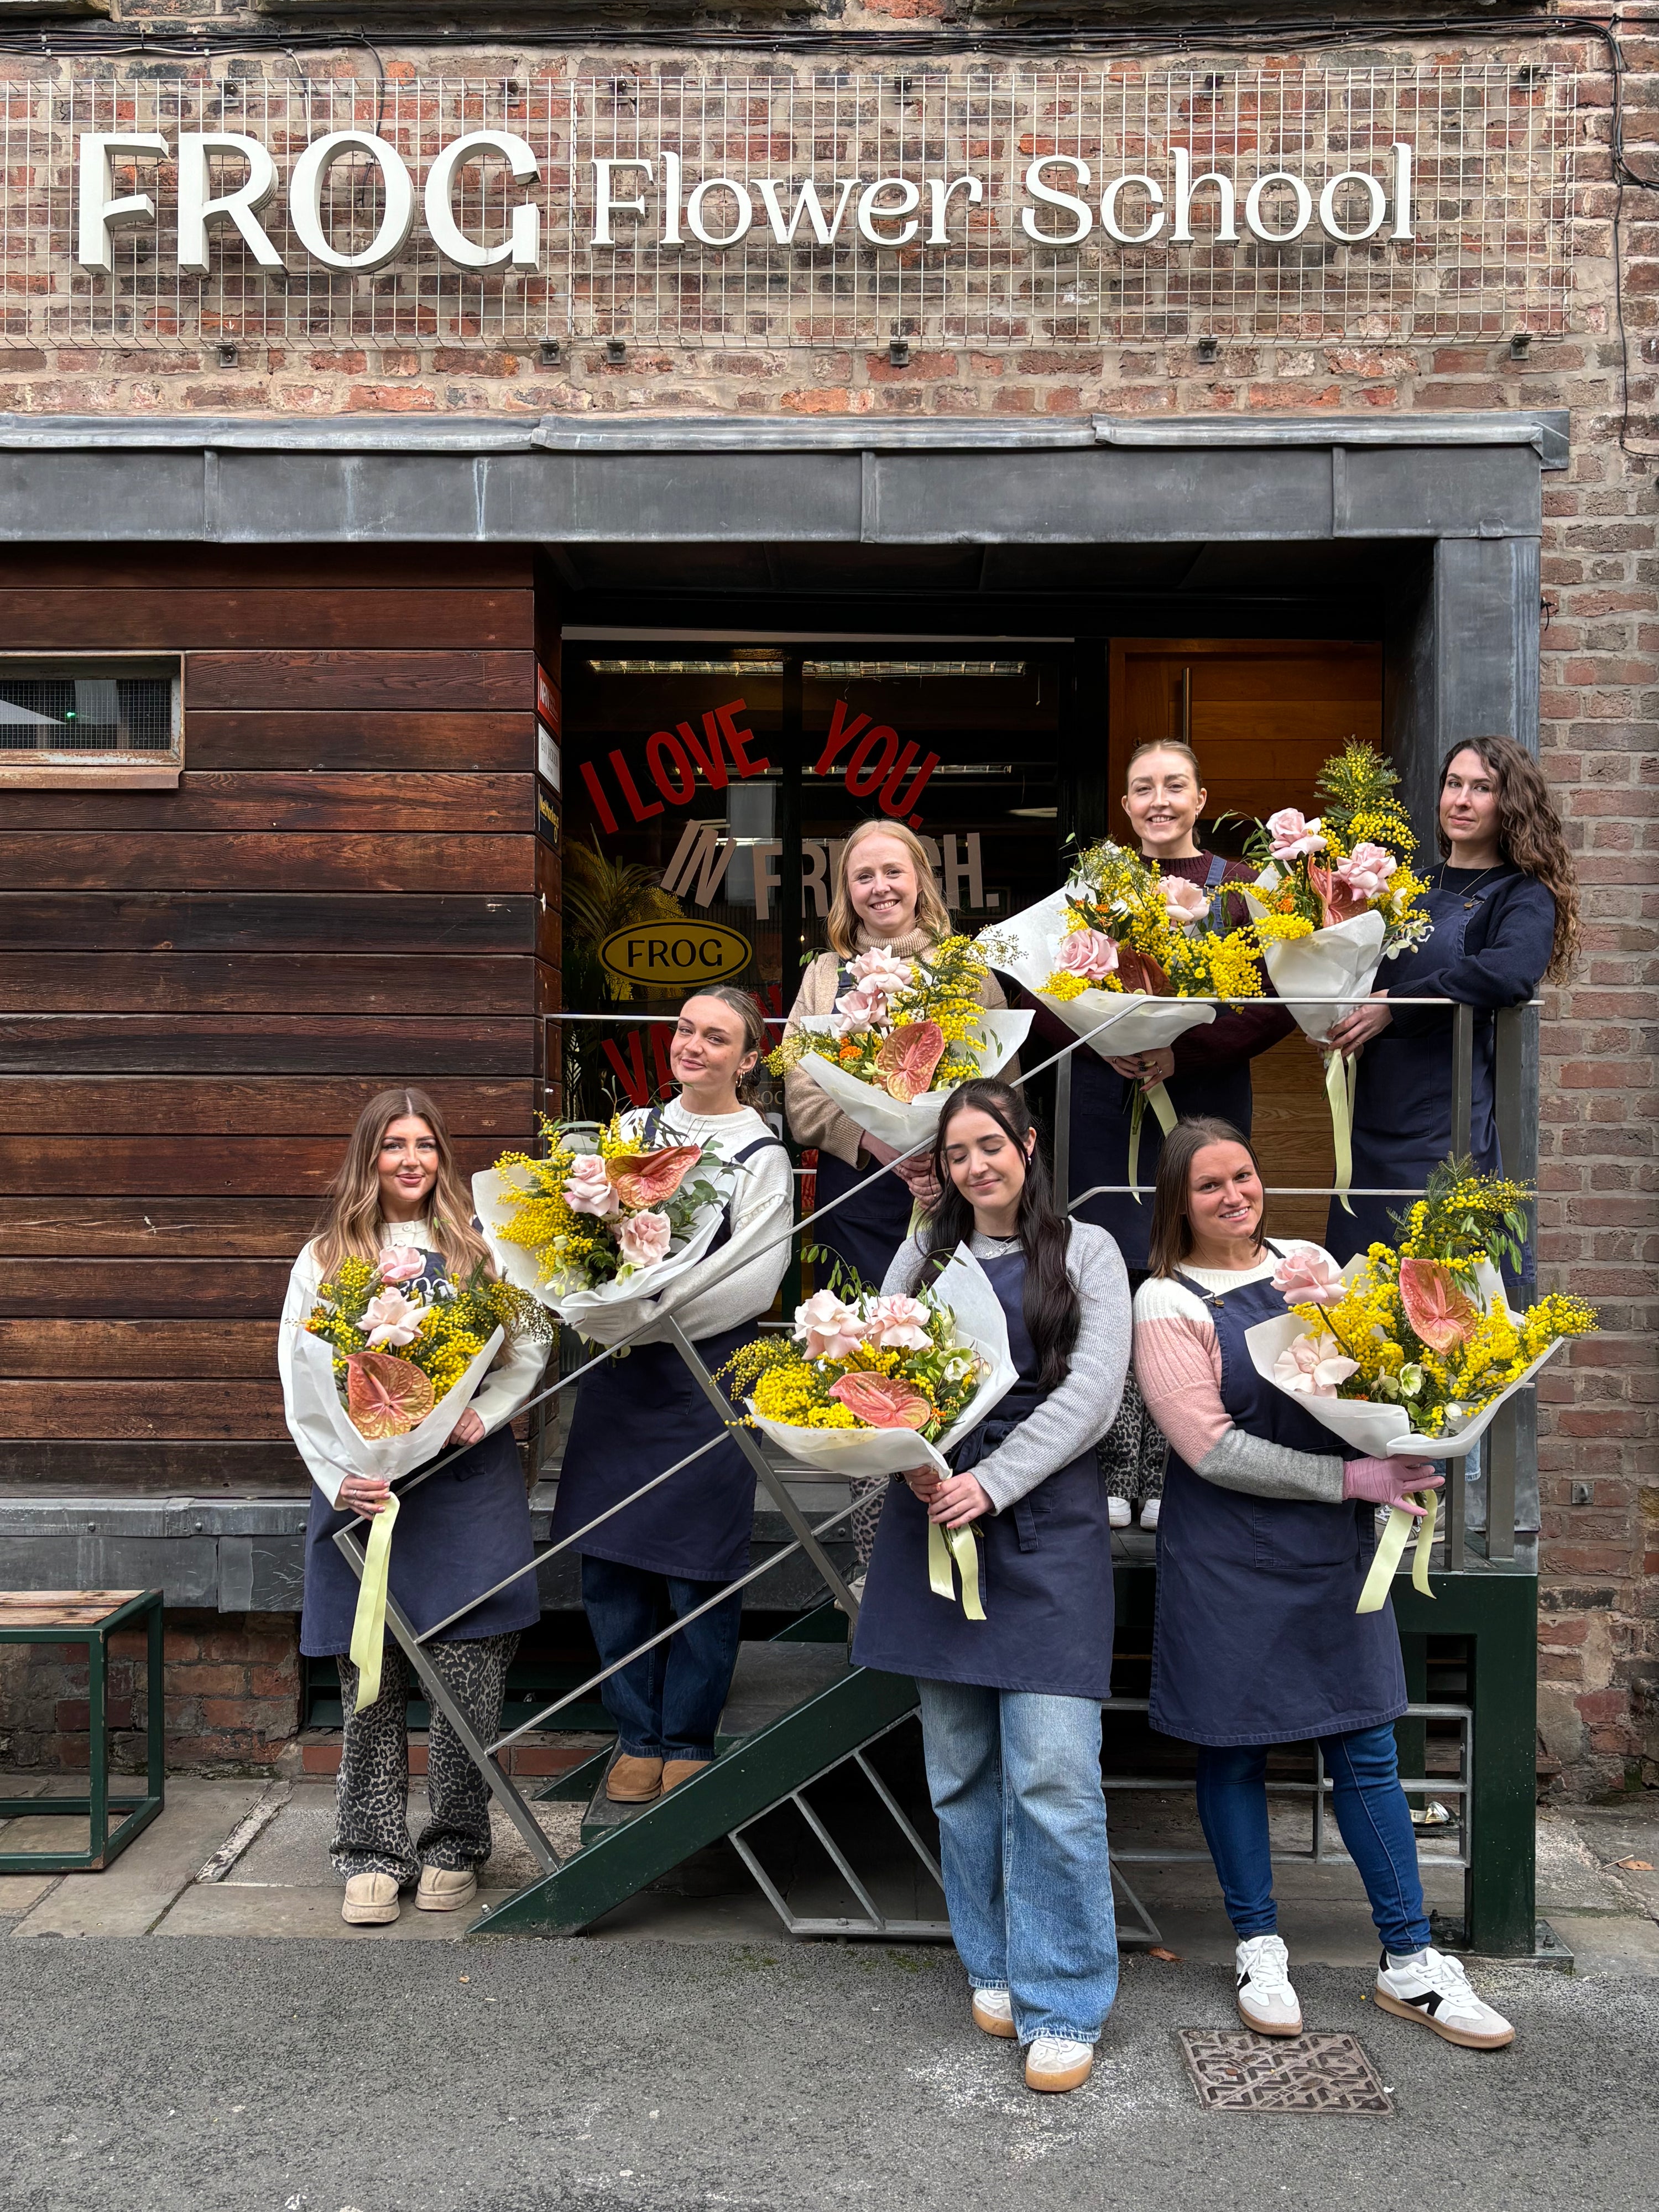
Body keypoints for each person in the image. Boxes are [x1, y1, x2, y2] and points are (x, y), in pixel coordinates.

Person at [1133, 1116, 1516, 2049]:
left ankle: (1411, 1962)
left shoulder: (1311, 1259)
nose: (1236, 1196)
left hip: (1332, 1548)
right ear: (1179, 1203)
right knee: (1234, 1749)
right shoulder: (1164, 1302)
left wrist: (1412, 1434)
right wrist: (1357, 1478)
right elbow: (1210, 1448)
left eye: (1245, 1177)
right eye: (1210, 1185)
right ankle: (1260, 1946)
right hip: (1227, 1556)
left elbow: (1368, 1380)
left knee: (1368, 1747)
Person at [853, 1079, 1131, 2095]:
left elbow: (1094, 1397)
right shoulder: (928, 1253)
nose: (976, 1166)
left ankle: (1065, 2000)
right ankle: (999, 1960)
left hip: (1046, 1529)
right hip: (933, 1520)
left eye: (990, 1145)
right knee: (961, 1773)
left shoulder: (1089, 1250)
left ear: (1026, 1144)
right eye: (958, 1153)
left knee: (1053, 1775)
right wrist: (916, 1462)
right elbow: (880, 1362)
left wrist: (995, 1482)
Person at [999, 741, 1292, 1529]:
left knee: (1192, 1274)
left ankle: (1168, 1465)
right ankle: (1109, 1461)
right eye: (1142, 790)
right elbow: (1046, 990)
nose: (1158, 801)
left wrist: (1181, 1047)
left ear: (1201, 798)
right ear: (1125, 808)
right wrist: (1106, 1038)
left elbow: (1280, 1002)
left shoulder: (1242, 891)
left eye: (1174, 786)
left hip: (1204, 1106)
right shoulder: (1092, 892)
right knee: (1111, 1279)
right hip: (1105, 1103)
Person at [278, 1088, 549, 1928]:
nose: (409, 1159)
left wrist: (485, 1410)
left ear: (444, 1157)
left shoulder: (483, 1250)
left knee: (466, 1680)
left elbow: (532, 1342)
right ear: (369, 1158)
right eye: (392, 1144)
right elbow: (300, 1379)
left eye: (425, 1144)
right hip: (369, 1491)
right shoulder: (325, 1255)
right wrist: (339, 1478)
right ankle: (369, 1849)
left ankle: (456, 1844)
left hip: (465, 1486)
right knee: (372, 1679)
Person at [552, 986, 792, 1806]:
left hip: (705, 1372)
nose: (693, 1046)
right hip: (623, 1374)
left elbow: (755, 1285)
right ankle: (636, 1733)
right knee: (612, 1564)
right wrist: (599, 1301)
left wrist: (644, 1318)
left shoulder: (762, 1158)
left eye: (716, 1037)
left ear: (749, 1059)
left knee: (699, 1567)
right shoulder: (632, 1132)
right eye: (686, 1030)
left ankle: (687, 1734)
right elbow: (580, 1241)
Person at [783, 818, 1009, 1576]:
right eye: (863, 876)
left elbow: (997, 1084)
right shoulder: (824, 974)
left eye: (893, 872)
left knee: (952, 1352)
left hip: (954, 1196)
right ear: (846, 890)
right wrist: (882, 1144)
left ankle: (956, 1535)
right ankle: (873, 1562)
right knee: (864, 1364)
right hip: (864, 1196)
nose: (880, 887)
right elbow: (802, 1098)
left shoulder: (964, 967)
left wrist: (944, 1155)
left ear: (921, 879)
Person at [1326, 733, 1577, 1265]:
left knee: (1444, 1293)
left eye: (1482, 788)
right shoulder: (1408, 889)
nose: (1461, 800)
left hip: (1447, 1132)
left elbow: (1507, 974)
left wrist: (1398, 1004)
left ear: (1510, 804)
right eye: (1453, 784)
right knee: (1360, 1295)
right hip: (1372, 1118)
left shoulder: (1522, 893)